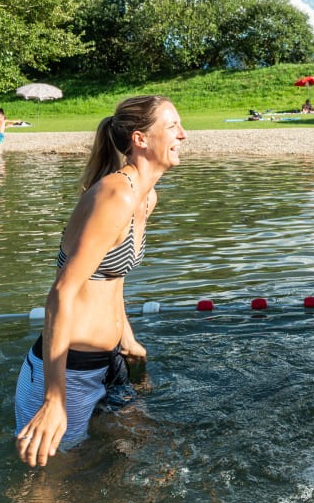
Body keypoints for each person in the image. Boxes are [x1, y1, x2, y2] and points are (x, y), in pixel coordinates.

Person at [14, 95, 187, 467]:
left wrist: (127, 338)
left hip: (109, 363)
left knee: (146, 453)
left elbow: (112, 278)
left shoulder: (145, 197)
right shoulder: (116, 194)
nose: (183, 135)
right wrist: (54, 400)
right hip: (67, 372)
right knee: (48, 493)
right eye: (172, 126)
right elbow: (61, 293)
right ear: (140, 139)